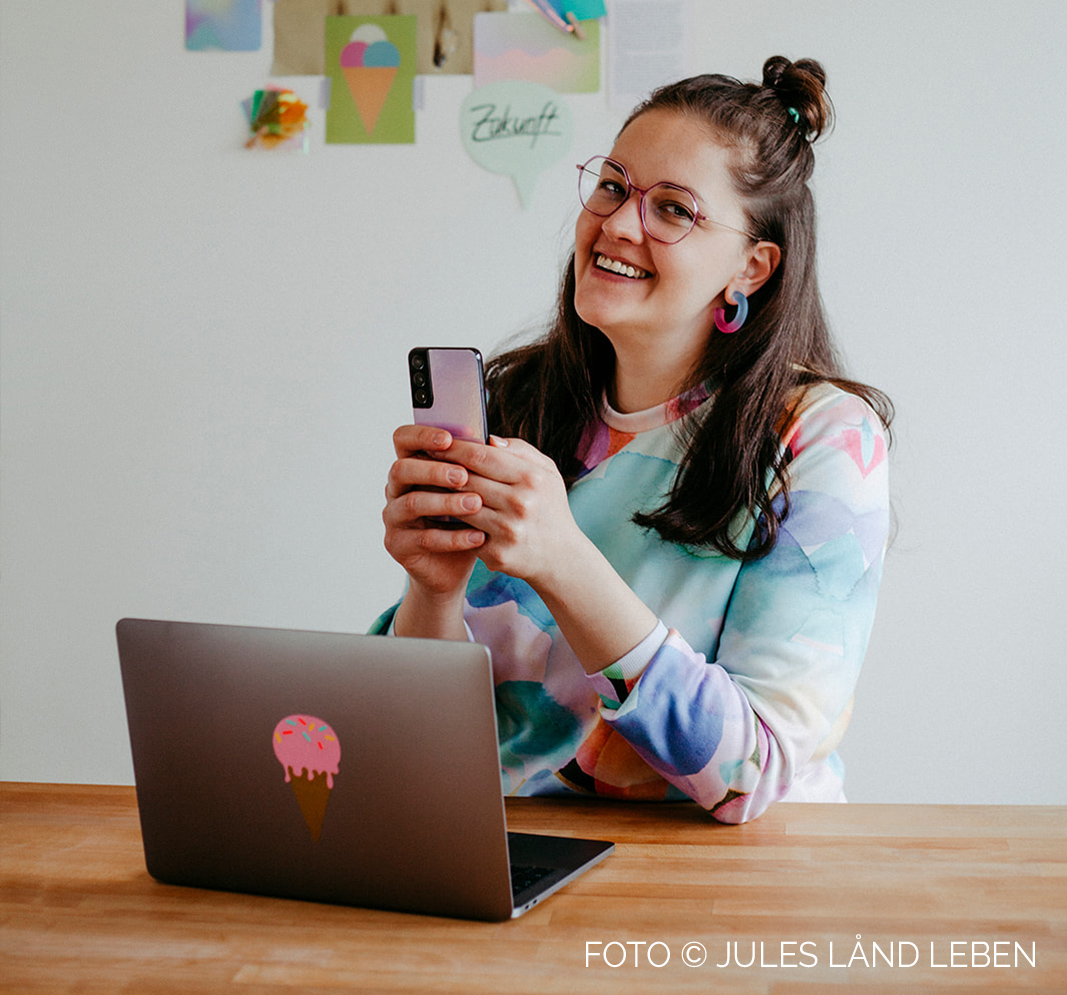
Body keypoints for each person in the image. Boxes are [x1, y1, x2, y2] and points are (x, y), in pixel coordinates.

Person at [373, 56, 893, 824]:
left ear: (751, 266)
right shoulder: (518, 401)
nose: (617, 222)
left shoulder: (819, 437)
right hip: (512, 849)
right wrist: (433, 587)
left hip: (726, 884)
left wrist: (561, 556)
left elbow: (754, 770)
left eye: (673, 209)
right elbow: (407, 744)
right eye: (613, 185)